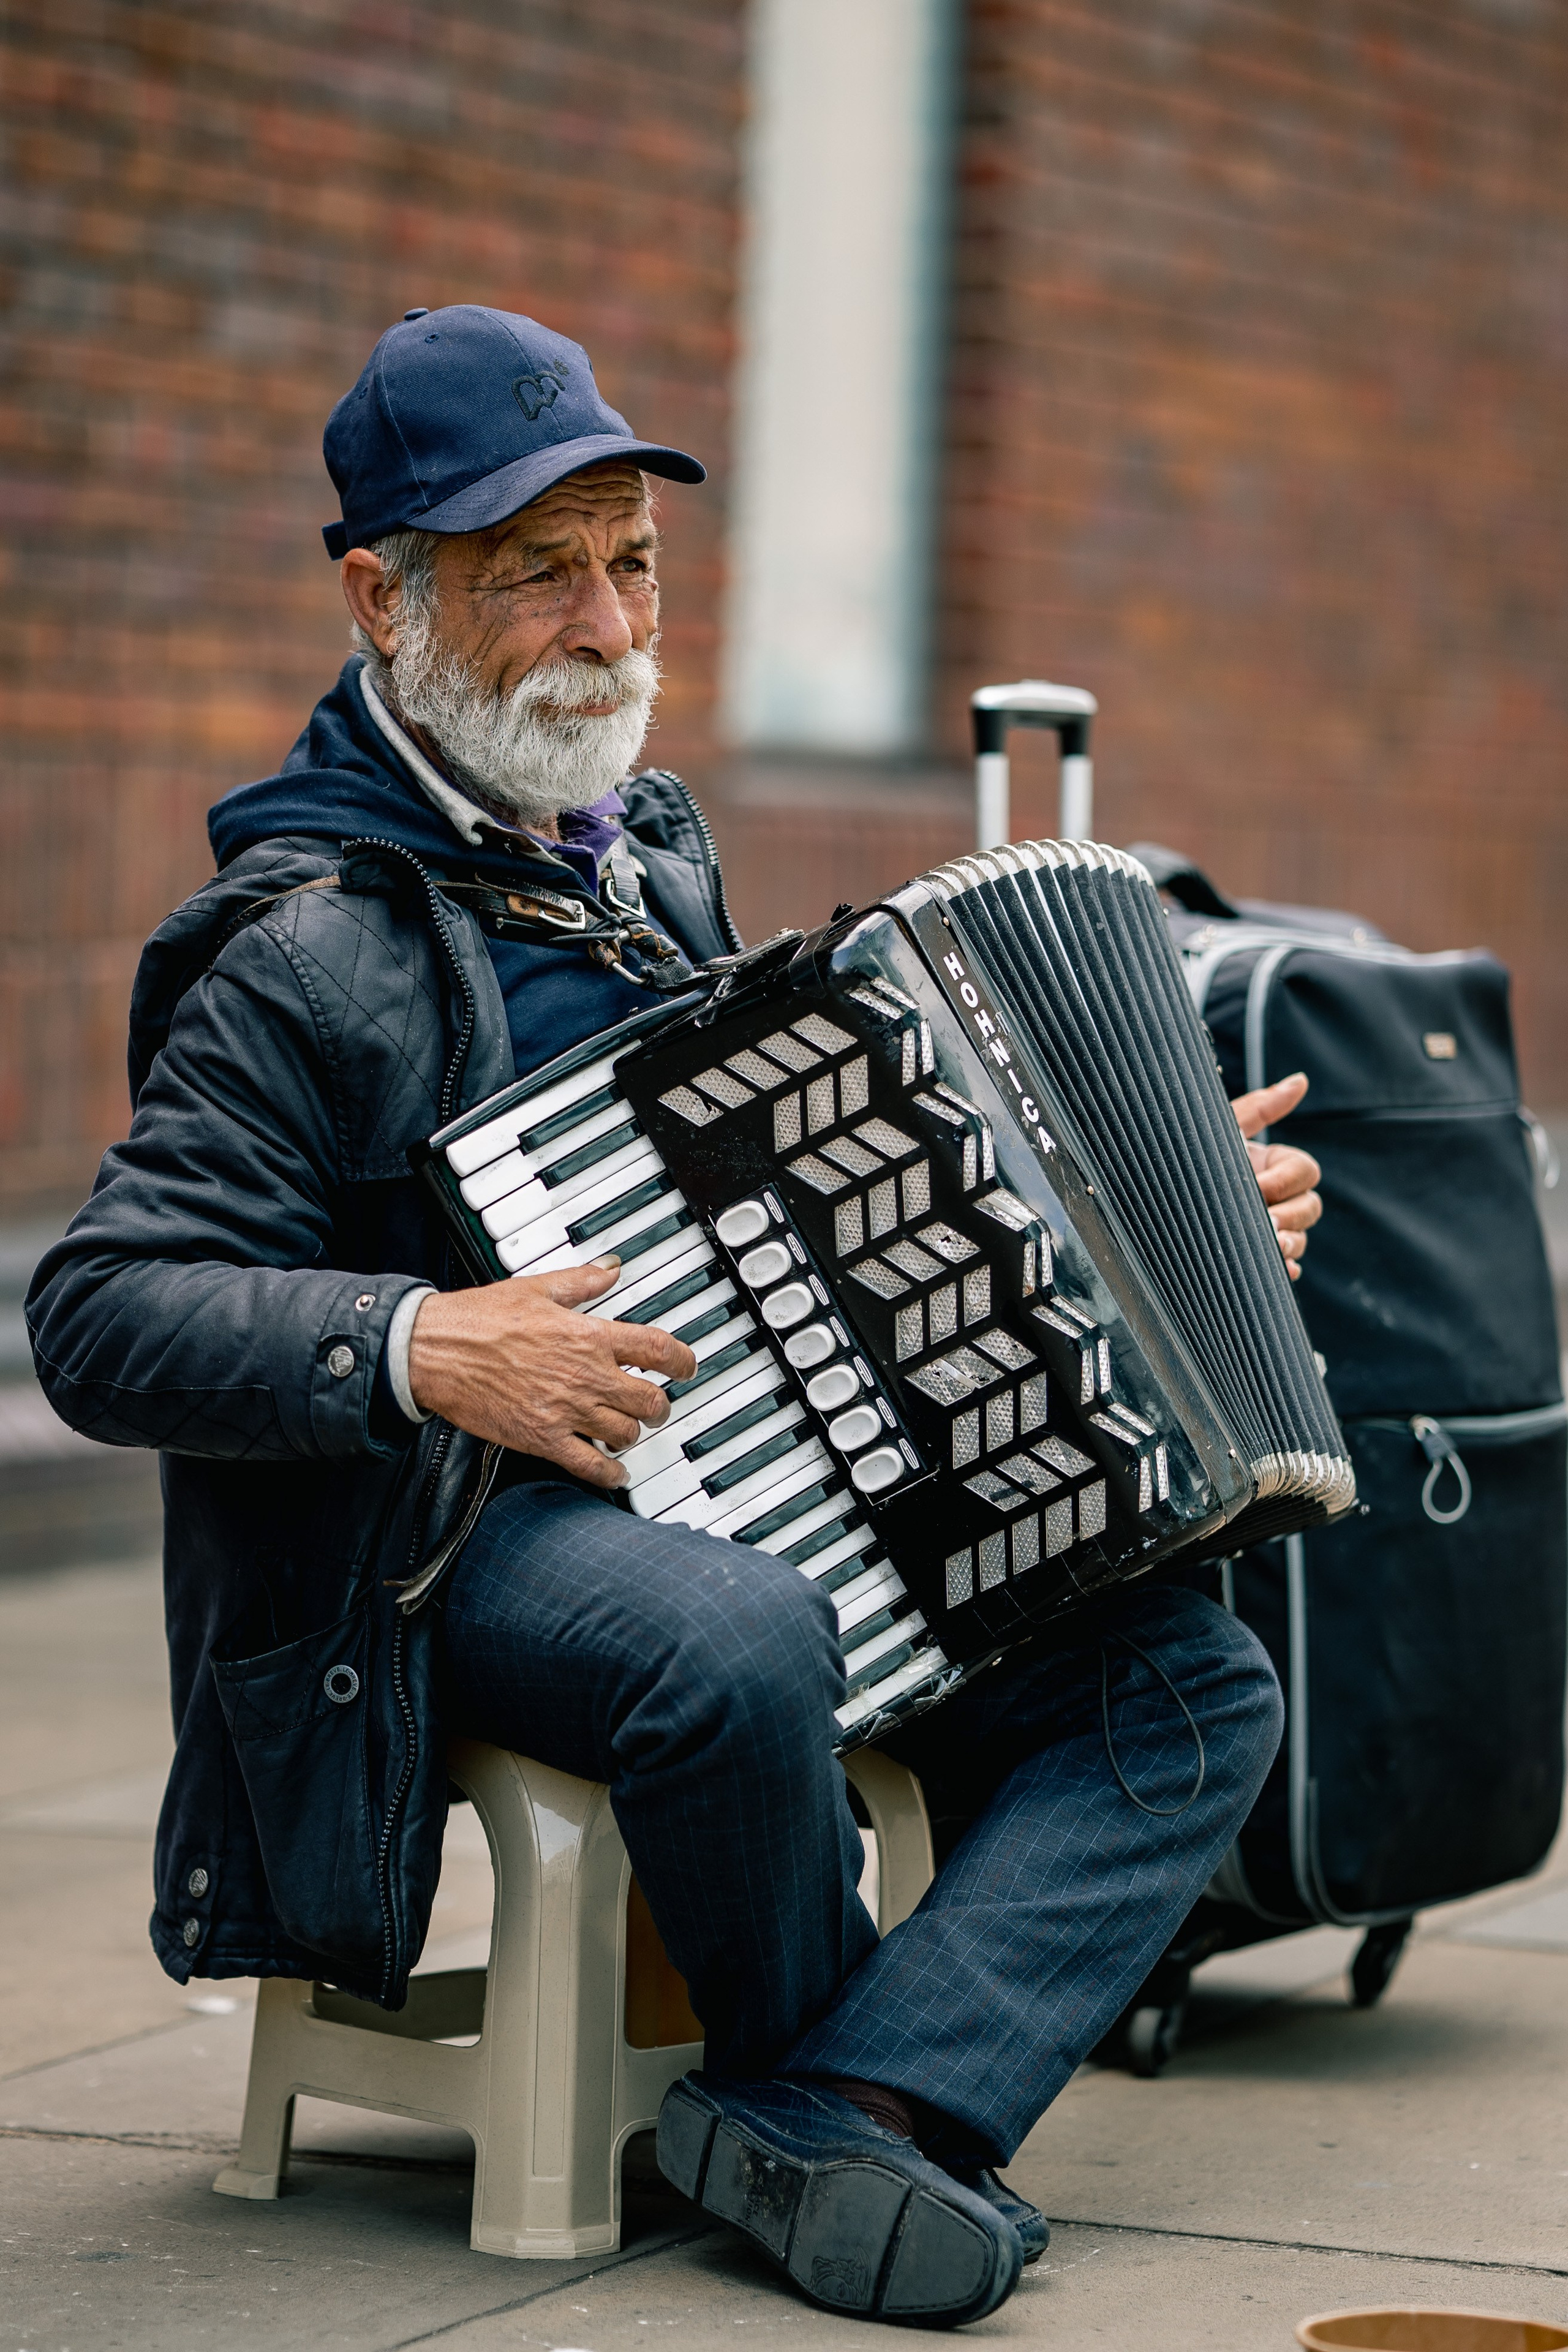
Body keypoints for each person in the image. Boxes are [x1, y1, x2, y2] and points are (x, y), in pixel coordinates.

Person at [29, 307, 1321, 2328]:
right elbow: (102, 1313)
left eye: (631, 561)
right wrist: (420, 1341)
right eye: (535, 569)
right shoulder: (293, 947)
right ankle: (853, 2116)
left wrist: (1151, 1222)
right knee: (740, 1640)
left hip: (750, 1448)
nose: (607, 622)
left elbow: (806, 1202)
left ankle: (841, 2105)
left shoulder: (651, 857)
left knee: (1188, 1665)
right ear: (385, 597)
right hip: (443, 1535)